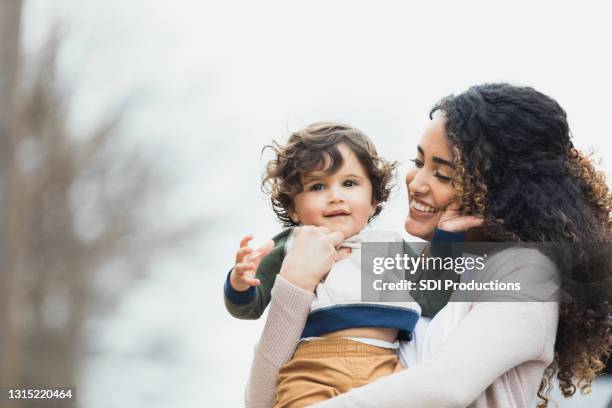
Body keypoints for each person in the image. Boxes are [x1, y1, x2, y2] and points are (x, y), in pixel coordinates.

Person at [245, 83, 612, 407]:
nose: (416, 183)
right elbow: (263, 400)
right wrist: (293, 285)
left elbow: (447, 386)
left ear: (499, 191)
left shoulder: (526, 275)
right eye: (418, 162)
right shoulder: (396, 267)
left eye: (442, 174)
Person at [223, 122, 479, 407]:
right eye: (318, 186)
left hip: (385, 366)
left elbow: (432, 299)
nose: (336, 196)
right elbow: (248, 307)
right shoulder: (295, 244)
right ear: (294, 208)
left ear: (373, 199)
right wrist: (240, 282)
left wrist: (447, 237)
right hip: (311, 369)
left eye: (349, 183)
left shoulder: (389, 246)